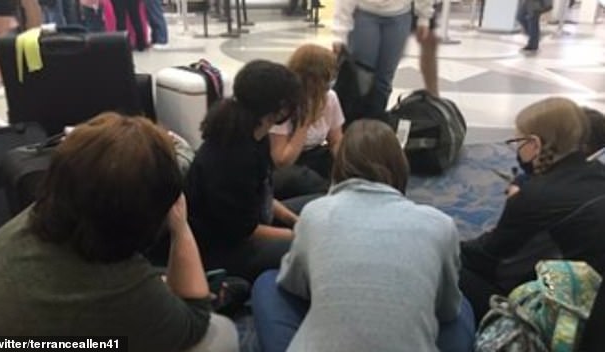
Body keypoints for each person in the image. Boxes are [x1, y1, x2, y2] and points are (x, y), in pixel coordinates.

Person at [0, 113, 239, 352]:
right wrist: (181, 229)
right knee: (221, 334)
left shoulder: (30, 220)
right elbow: (195, 317)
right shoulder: (119, 286)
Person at [252, 119, 475, 352]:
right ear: (401, 165)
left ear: (340, 166)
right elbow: (447, 308)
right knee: (463, 309)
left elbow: (294, 284)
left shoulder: (315, 214)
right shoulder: (440, 225)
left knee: (268, 284)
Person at [460, 97, 605, 322]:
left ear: (535, 144)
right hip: (593, 295)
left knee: (449, 265)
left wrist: (445, 244)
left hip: (564, 310)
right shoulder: (597, 172)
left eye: (518, 140)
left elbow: (487, 259)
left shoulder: (533, 198)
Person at [185, 60, 306, 282]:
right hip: (224, 248)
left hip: (248, 223)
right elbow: (242, 231)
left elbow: (261, 194)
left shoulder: (252, 134)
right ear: (277, 109)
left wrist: (293, 220)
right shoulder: (233, 158)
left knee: (314, 211)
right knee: (309, 247)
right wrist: (299, 234)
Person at [332, 0, 434, 117]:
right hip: (364, 13)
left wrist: (424, 17)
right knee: (360, 77)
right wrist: (339, 33)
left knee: (384, 80)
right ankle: (354, 122)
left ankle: (376, 121)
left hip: (400, 16)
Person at [271, 44, 344, 199]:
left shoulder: (330, 98)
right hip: (288, 166)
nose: (329, 82)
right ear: (310, 78)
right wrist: (305, 121)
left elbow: (336, 140)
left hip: (314, 155)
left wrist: (347, 166)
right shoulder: (283, 102)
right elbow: (282, 161)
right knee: (305, 179)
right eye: (325, 77)